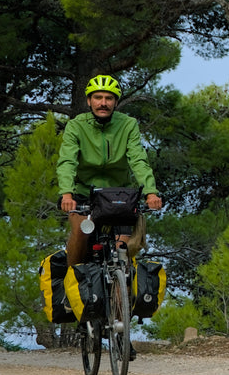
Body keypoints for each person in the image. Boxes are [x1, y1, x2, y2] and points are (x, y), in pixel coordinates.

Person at [57, 74, 163, 267]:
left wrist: (150, 192)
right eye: (98, 98)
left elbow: (138, 160)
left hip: (119, 195)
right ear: (89, 101)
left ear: (115, 102)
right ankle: (71, 279)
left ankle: (120, 291)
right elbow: (67, 161)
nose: (103, 103)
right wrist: (67, 194)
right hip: (83, 195)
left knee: (125, 246)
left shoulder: (128, 124)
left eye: (109, 98)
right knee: (81, 232)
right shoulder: (76, 126)